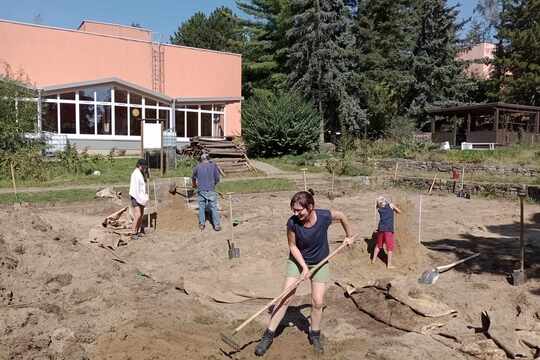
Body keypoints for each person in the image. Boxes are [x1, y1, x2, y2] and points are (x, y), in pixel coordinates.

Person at [254, 190, 354, 356]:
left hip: (320, 262)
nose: (295, 213)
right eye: (293, 210)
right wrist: (304, 268)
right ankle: (268, 335)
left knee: (317, 301)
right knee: (285, 297)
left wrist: (349, 236)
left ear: (311, 207)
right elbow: (292, 246)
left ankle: (314, 334)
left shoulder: (324, 217)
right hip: (297, 260)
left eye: (299, 210)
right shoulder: (292, 223)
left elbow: (342, 215)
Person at [192, 153, 221, 231]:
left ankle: (202, 224)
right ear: (208, 159)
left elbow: (193, 177)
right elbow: (217, 178)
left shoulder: (197, 167)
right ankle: (217, 225)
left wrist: (194, 185)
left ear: (201, 159)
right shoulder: (213, 166)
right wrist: (213, 184)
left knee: (201, 207)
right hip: (211, 189)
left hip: (201, 190)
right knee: (214, 207)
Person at [372, 196, 401, 269]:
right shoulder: (391, 205)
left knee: (378, 245)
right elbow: (399, 212)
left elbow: (378, 205)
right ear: (385, 201)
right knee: (389, 248)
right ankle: (389, 265)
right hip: (388, 230)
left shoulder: (379, 209)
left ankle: (373, 260)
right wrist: (394, 206)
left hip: (381, 229)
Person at [129, 159, 149, 241]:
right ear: (141, 165)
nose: (145, 168)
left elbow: (142, 186)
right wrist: (139, 198)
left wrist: (144, 197)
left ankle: (138, 231)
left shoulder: (140, 173)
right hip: (135, 197)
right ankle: (133, 233)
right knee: (138, 215)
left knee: (141, 215)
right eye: (144, 166)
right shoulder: (135, 174)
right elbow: (135, 188)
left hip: (141, 197)